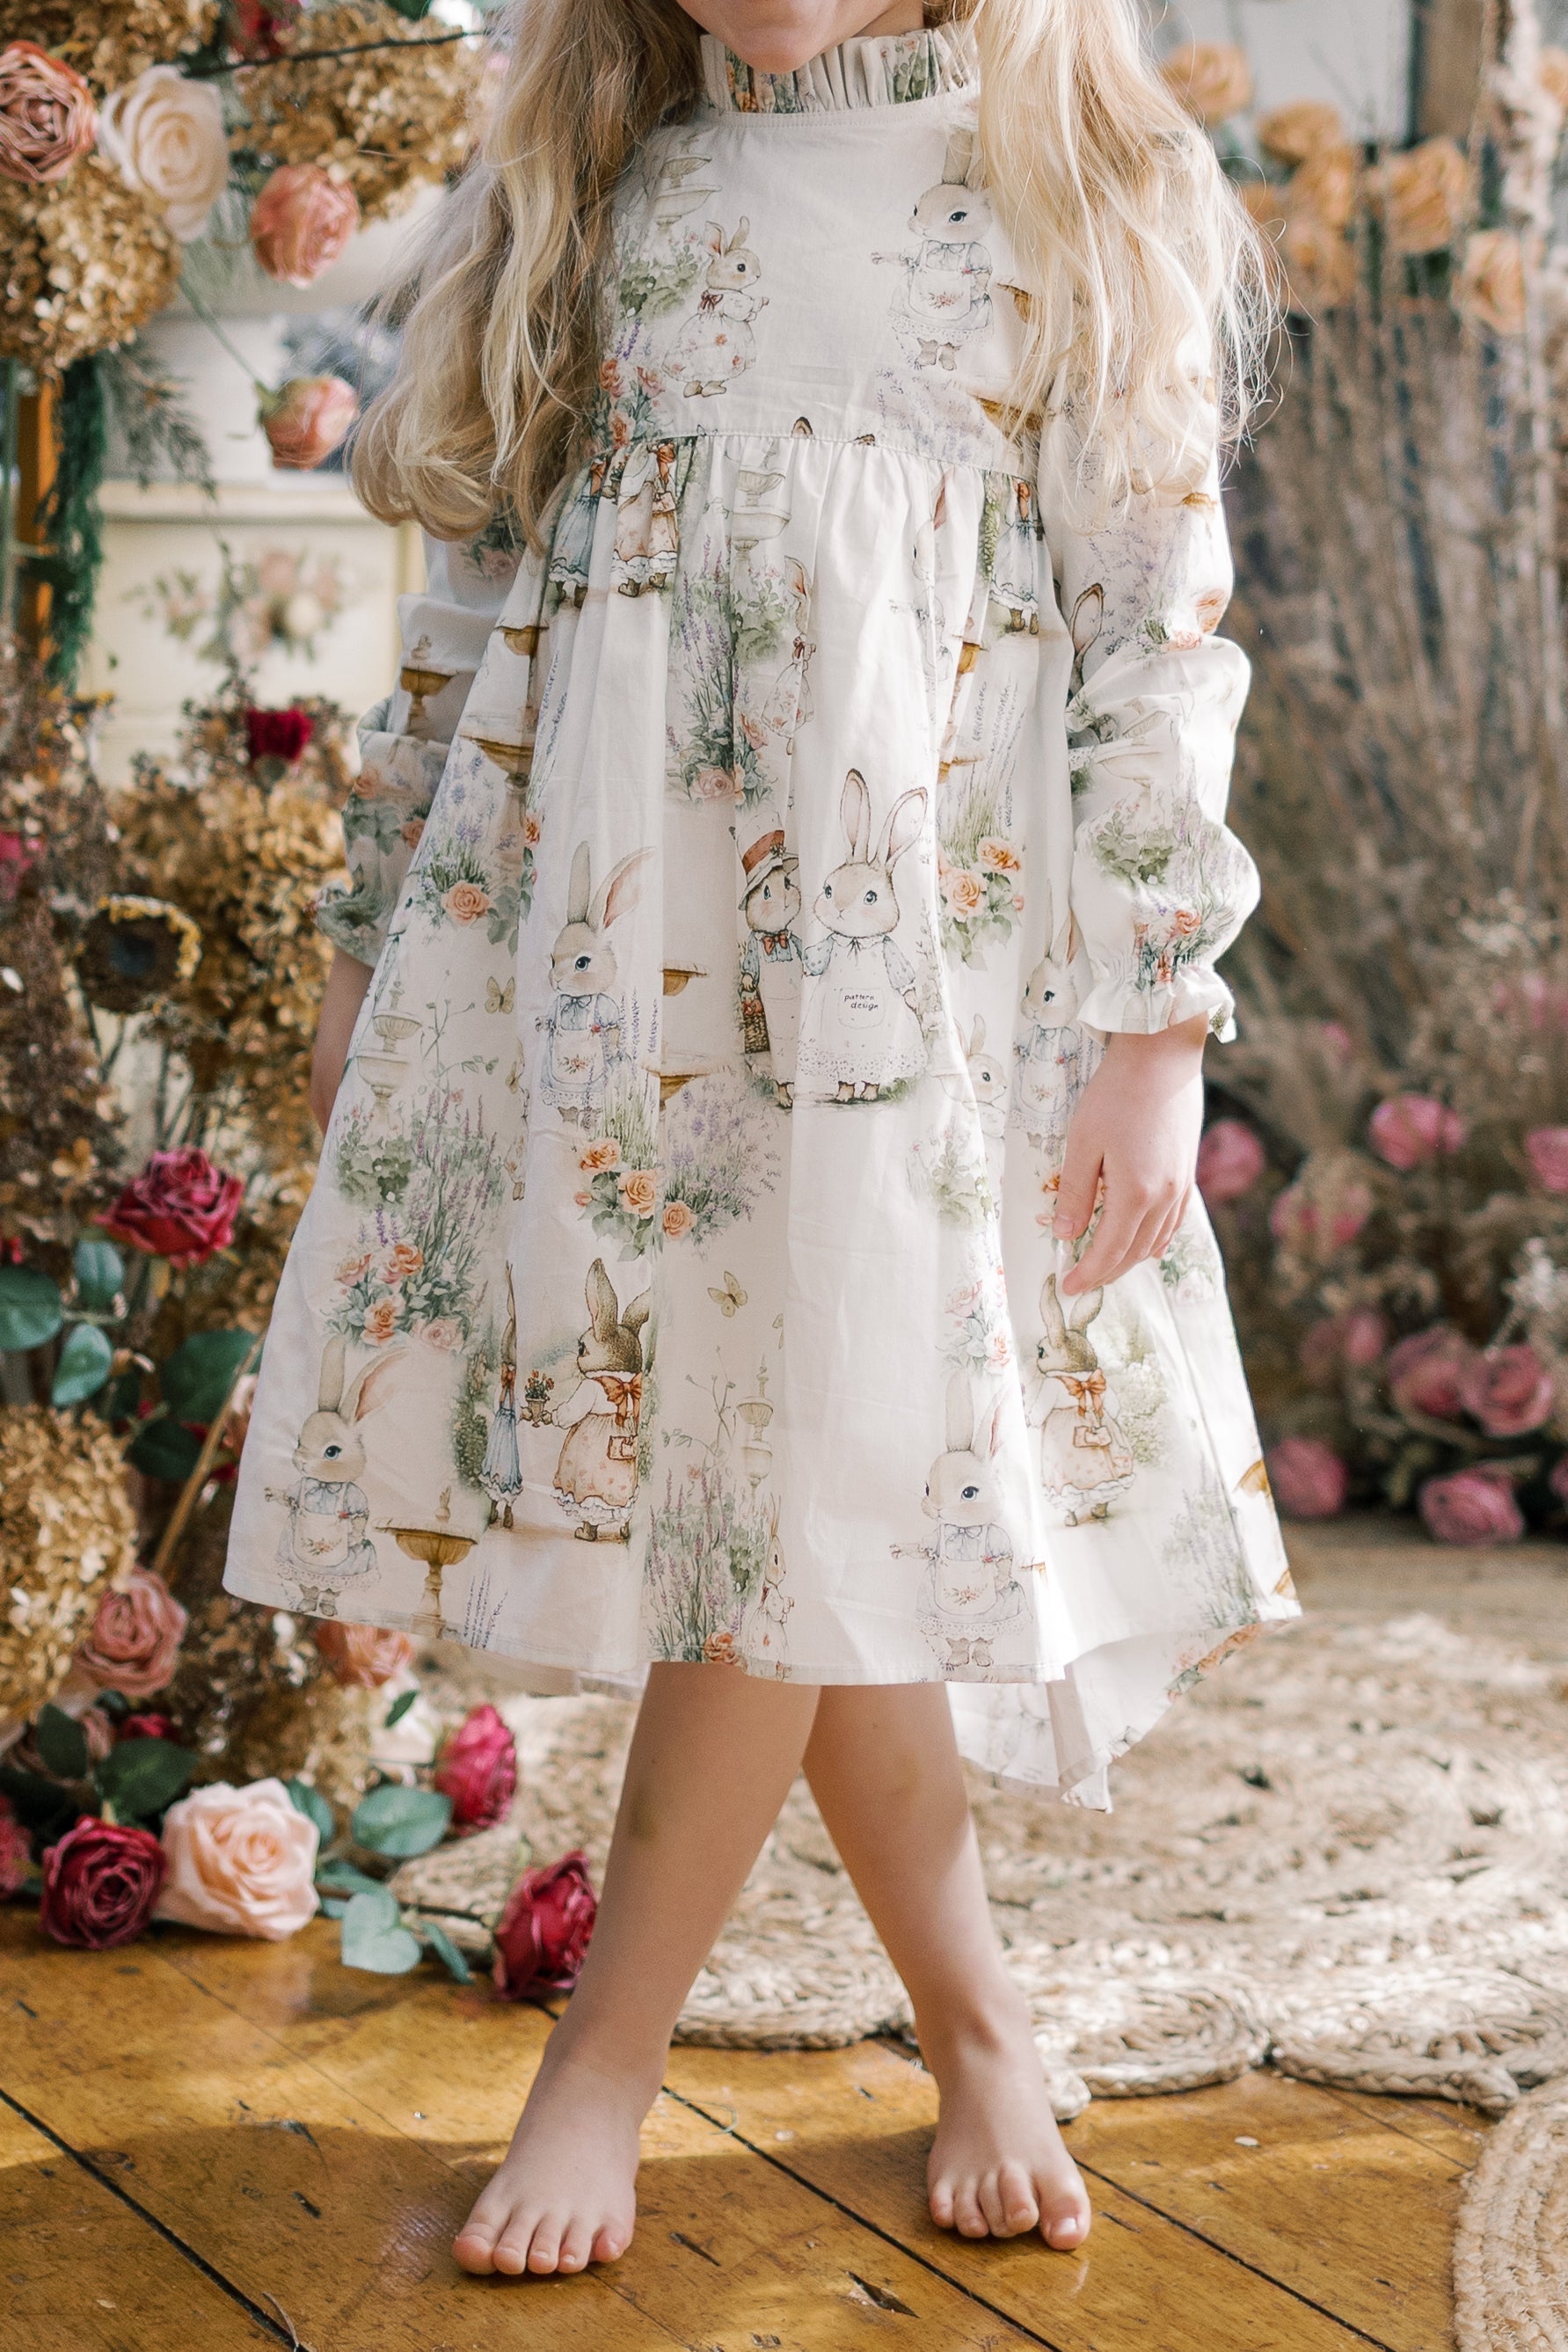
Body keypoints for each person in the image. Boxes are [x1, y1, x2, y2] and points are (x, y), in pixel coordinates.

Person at [225, 0, 1296, 2283]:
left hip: (918, 974)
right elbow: (467, 612)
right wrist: (365, 944)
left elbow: (1155, 637)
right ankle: (980, 2026)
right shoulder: (606, 186)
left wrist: (1157, 1021)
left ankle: (607, 2060)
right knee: (810, 1506)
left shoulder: (1072, 194)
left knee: (791, 1498)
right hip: (634, 966)